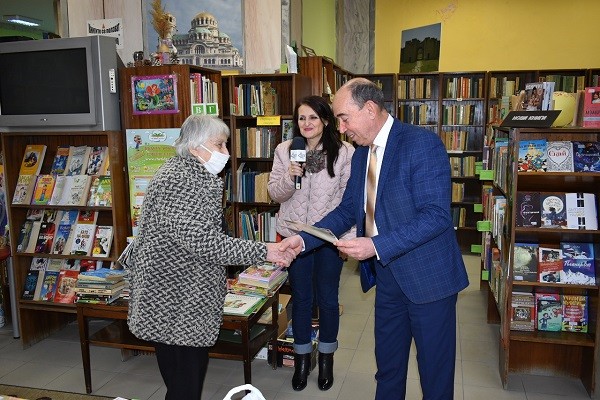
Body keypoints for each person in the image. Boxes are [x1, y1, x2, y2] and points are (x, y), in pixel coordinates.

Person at [280, 78, 469, 399]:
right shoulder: (361, 155)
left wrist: (375, 244)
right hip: (389, 279)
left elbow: (435, 216)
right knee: (388, 369)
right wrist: (302, 240)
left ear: (369, 109)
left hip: (429, 281)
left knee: (435, 376)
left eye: (343, 118)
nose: (340, 128)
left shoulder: (421, 144)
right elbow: (347, 211)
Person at [127, 114, 295, 400]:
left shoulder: (188, 174)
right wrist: (265, 250)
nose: (226, 154)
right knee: (185, 384)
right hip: (176, 299)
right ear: (195, 147)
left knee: (181, 382)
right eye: (219, 145)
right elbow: (203, 242)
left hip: (176, 295)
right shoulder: (181, 180)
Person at [268, 95, 355, 391]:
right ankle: (302, 360)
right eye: (301, 118)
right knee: (302, 299)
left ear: (326, 121)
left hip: (329, 238)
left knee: (328, 300)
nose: (306, 124)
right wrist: (289, 178)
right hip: (295, 237)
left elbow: (349, 200)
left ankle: (327, 358)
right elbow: (276, 194)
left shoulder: (344, 152)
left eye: (313, 118)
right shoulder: (285, 150)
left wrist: (346, 241)